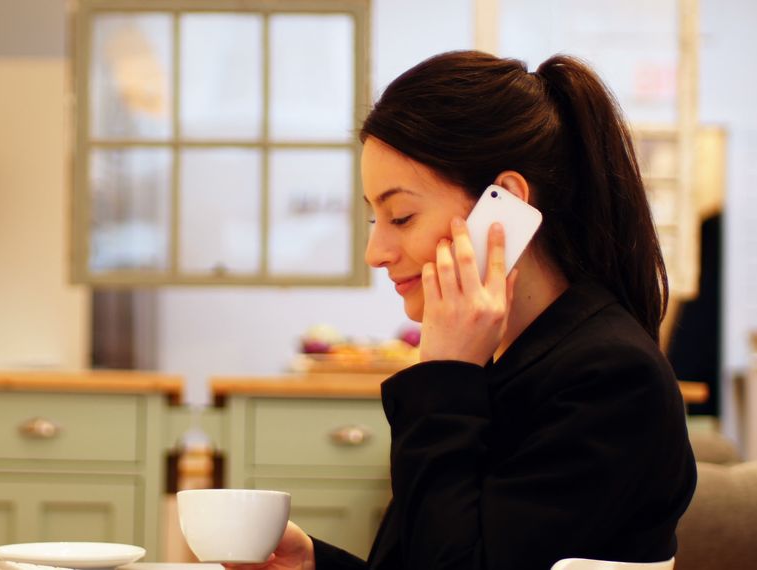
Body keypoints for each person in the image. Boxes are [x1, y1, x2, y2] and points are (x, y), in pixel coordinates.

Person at [227, 51, 696, 570]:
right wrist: (315, 564)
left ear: (504, 207)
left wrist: (445, 377)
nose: (375, 252)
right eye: (374, 219)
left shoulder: (610, 380)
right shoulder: (515, 364)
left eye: (401, 216)